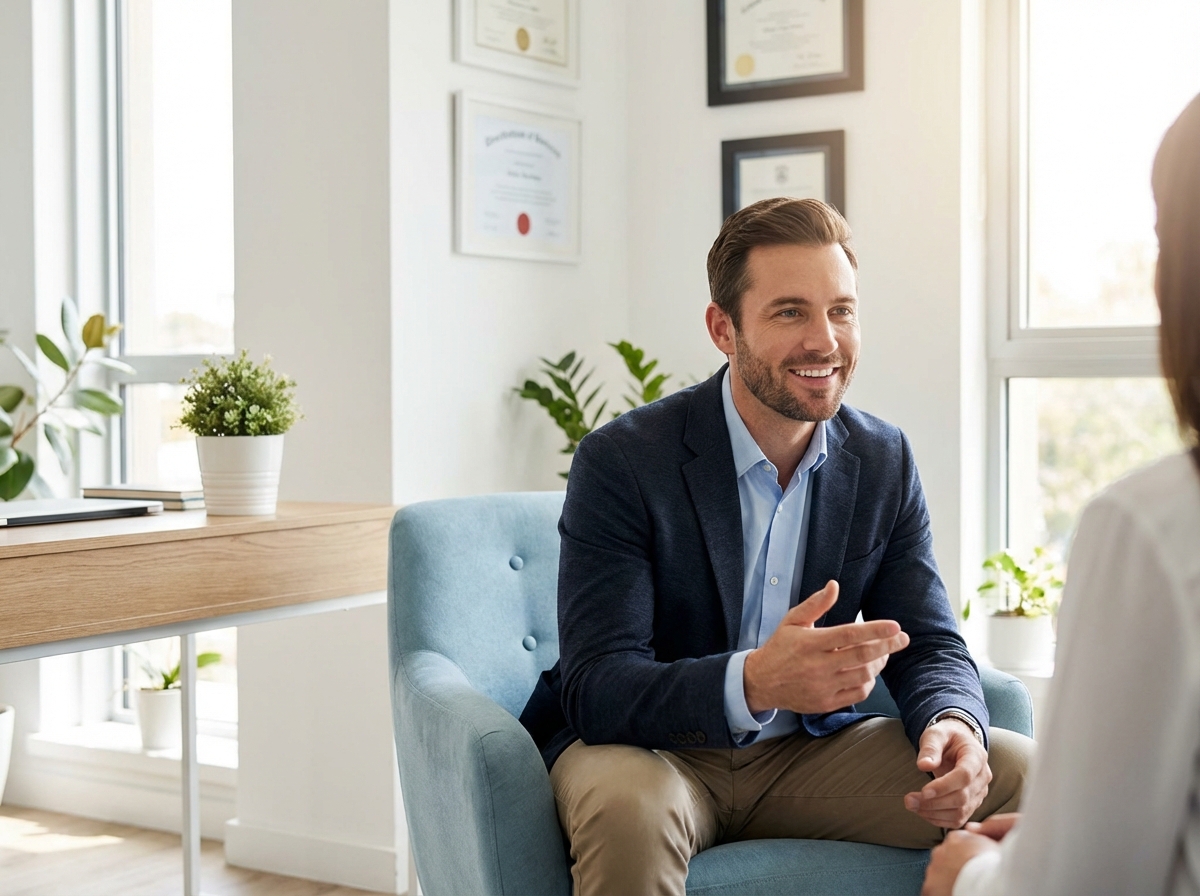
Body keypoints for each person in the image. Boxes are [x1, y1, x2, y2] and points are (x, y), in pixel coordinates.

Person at [519, 197, 1033, 896]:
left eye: (841, 310)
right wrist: (755, 681)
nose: (825, 341)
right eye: (790, 312)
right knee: (630, 811)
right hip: (651, 753)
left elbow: (930, 641)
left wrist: (955, 725)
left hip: (806, 758)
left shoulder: (882, 459)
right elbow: (598, 685)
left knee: (1023, 774)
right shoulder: (624, 460)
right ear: (723, 328)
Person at [921, 94, 1200, 896]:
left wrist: (972, 875)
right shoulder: (627, 461)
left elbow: (1081, 885)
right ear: (723, 328)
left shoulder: (1151, 527)